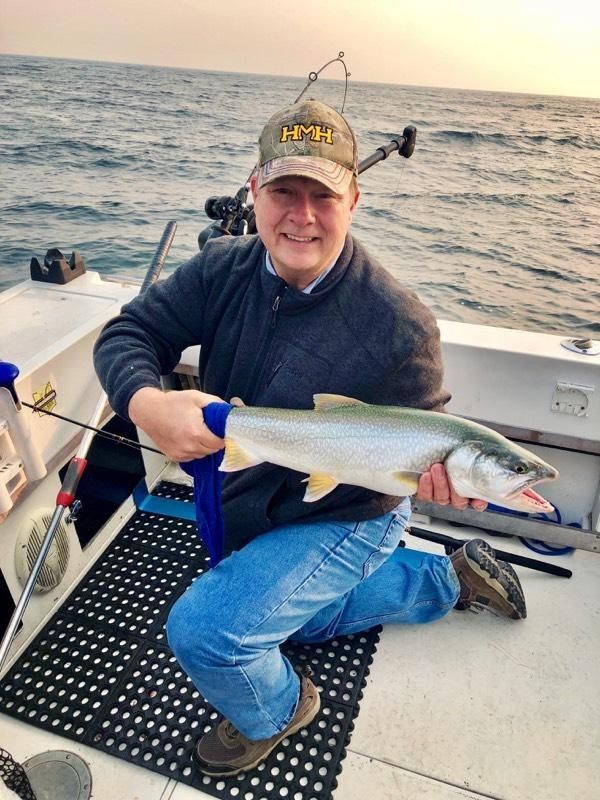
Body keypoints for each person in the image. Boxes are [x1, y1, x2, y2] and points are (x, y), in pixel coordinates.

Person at [93, 99, 526, 777]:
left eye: (322, 195)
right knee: (302, 618)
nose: (301, 216)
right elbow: (129, 333)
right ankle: (450, 579)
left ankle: (281, 709)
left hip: (351, 513)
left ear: (353, 198)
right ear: (254, 190)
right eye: (283, 192)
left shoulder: (398, 323)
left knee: (209, 633)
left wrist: (452, 481)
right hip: (251, 486)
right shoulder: (220, 270)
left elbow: (422, 438)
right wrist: (148, 404)